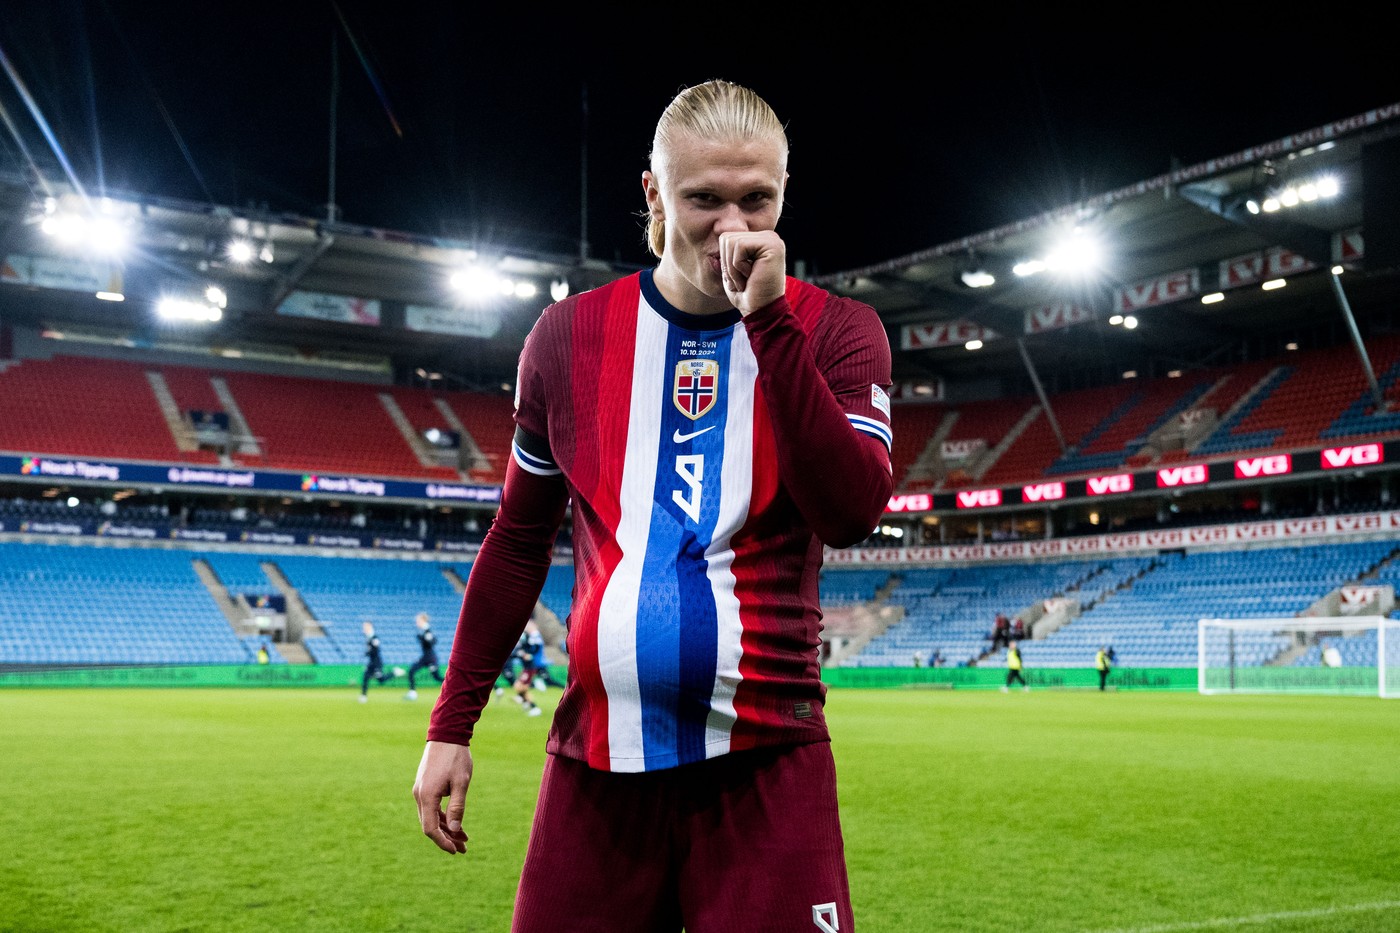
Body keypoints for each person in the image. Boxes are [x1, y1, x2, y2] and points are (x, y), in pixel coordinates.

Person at [412, 78, 893, 933]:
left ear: (786, 192)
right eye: (703, 199)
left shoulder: (838, 332)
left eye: (759, 200)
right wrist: (452, 723)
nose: (733, 228)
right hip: (596, 763)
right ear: (653, 194)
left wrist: (770, 324)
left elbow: (851, 509)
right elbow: (519, 542)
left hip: (767, 763)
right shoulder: (564, 340)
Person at [359, 620, 404, 702]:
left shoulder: (374, 638)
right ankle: (363, 696)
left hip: (376, 663)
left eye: (365, 626)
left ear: (370, 626)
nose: (364, 628)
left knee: (381, 679)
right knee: (365, 676)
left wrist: (368, 652)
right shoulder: (368, 637)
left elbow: (375, 650)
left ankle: (394, 672)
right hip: (371, 662)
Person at [405, 611, 444, 701]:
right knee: (411, 671)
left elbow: (432, 642)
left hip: (430, 658)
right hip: (425, 657)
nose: (416, 623)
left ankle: (454, 685)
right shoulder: (424, 631)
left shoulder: (427, 631)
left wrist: (423, 638)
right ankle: (412, 693)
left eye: (418, 621)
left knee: (437, 677)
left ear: (423, 620)